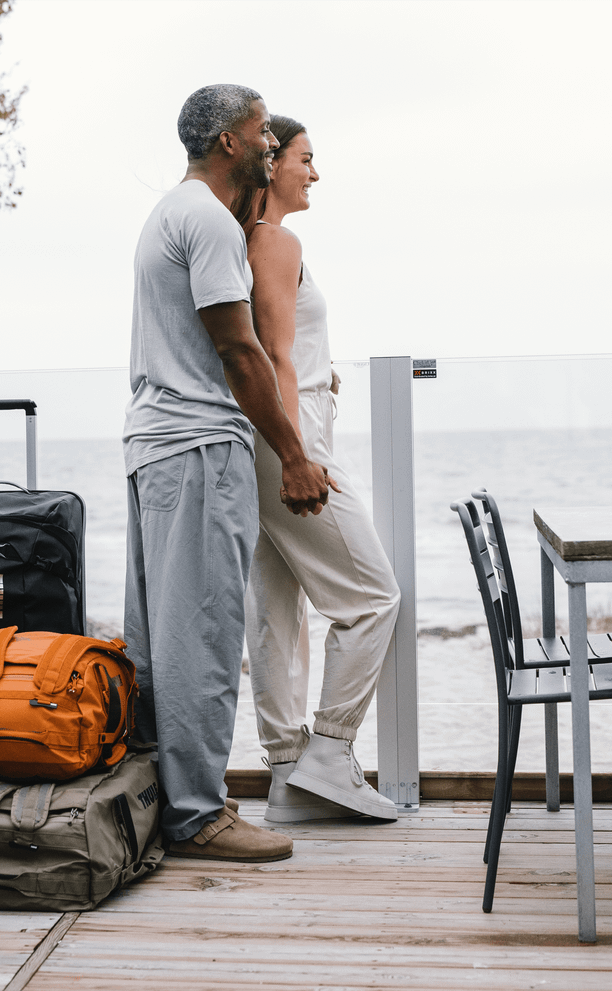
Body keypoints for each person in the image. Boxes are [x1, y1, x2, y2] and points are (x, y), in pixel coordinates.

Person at [123, 86, 331, 863]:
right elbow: (239, 351)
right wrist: (295, 455)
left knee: (159, 637)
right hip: (201, 446)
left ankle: (163, 796)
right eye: (261, 134)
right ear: (228, 144)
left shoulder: (172, 213)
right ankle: (198, 814)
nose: (272, 146)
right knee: (204, 635)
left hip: (154, 444)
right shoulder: (207, 222)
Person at [239, 115, 402, 823]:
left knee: (275, 611)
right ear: (270, 165)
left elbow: (275, 346)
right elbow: (271, 354)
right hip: (286, 437)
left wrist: (317, 374)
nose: (315, 172)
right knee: (371, 596)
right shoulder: (274, 240)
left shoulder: (241, 240)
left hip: (260, 434)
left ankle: (284, 776)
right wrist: (298, 454)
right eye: (305, 158)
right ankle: (330, 752)